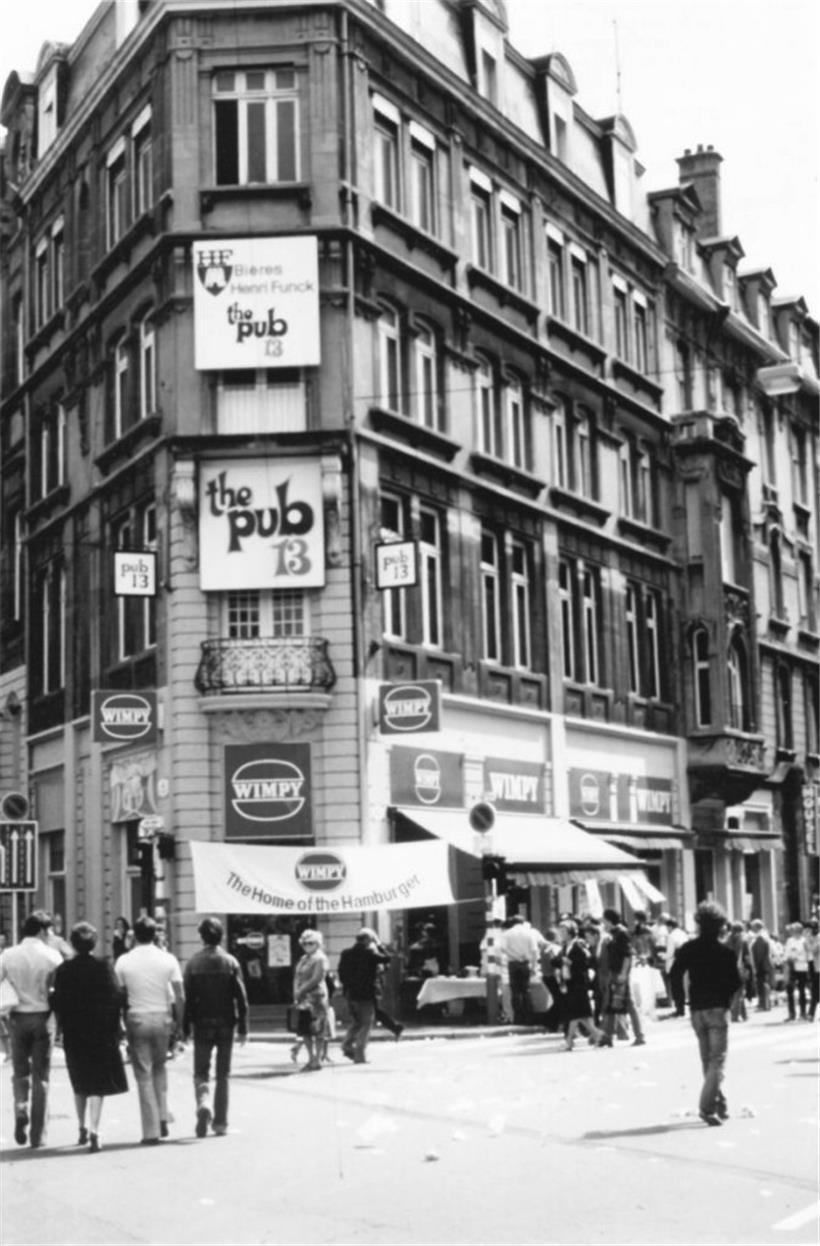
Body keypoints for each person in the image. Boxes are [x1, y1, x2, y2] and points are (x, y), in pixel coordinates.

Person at [50, 922, 128, 1152]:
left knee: (80, 1080)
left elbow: (57, 1001)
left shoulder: (64, 970)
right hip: (101, 1031)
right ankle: (95, 1129)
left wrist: (61, 1025)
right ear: (94, 943)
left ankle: (81, 1126)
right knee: (97, 1082)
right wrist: (115, 1027)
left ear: (73, 943)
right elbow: (116, 998)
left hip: (75, 1031)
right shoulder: (104, 968)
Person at [670, 900, 741, 1127]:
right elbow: (736, 982)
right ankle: (707, 1107)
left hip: (697, 1009)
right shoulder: (726, 953)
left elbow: (674, 973)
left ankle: (721, 1103)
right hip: (718, 1008)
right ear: (720, 925)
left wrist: (680, 1002)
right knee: (717, 1061)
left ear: (698, 923)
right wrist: (728, 1001)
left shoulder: (689, 948)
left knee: (707, 1060)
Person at [115, 915, 184, 1144]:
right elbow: (180, 994)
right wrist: (179, 1023)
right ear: (155, 934)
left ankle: (151, 1129)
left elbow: (120, 995)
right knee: (160, 1068)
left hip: (137, 1017)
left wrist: (121, 1022)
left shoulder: (124, 961)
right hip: (162, 1017)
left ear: (134, 934)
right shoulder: (168, 959)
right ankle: (163, 1114)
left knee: (143, 1074)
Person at [0, 910, 62, 1148]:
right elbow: (59, 987)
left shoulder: (9, 954)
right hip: (43, 1016)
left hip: (16, 1017)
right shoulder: (52, 956)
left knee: (19, 1071)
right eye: (49, 930)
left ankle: (20, 1107)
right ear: (42, 930)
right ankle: (38, 1135)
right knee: (41, 1076)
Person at [183, 916, 248, 1137]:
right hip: (226, 1023)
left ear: (202, 937)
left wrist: (185, 1028)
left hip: (201, 1023)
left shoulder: (193, 963)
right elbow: (241, 998)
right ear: (222, 936)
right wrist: (243, 1028)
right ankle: (220, 1122)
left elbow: (188, 999)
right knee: (223, 1074)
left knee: (201, 1071)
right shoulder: (230, 962)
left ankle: (203, 1101)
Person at [338, 927, 391, 1063]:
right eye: (371, 939)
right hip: (366, 994)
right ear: (367, 940)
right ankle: (359, 1054)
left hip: (350, 993)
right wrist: (379, 944)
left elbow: (341, 973)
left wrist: (348, 986)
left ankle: (346, 1045)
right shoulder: (369, 953)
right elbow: (387, 959)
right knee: (366, 1023)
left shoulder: (346, 953)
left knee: (356, 1022)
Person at [555, 921, 605, 1050]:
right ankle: (596, 1034)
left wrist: (571, 963)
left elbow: (588, 961)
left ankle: (571, 1040)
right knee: (580, 1014)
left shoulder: (578, 945)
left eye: (564, 932)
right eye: (561, 932)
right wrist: (562, 960)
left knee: (575, 1014)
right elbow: (555, 960)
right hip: (570, 982)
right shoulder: (566, 946)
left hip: (579, 983)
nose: (562, 934)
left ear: (571, 932)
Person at [599, 909, 645, 1046]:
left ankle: (640, 1035)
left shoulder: (621, 934)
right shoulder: (613, 934)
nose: (603, 923)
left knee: (629, 1004)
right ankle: (607, 1037)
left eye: (604, 920)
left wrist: (624, 974)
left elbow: (627, 955)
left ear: (609, 920)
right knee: (611, 1004)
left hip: (620, 973)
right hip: (614, 972)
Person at [292, 929, 330, 1071]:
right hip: (303, 999)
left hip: (317, 997)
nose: (307, 946)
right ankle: (310, 1057)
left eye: (310, 943)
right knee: (305, 1029)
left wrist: (301, 990)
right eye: (304, 943)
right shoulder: (303, 959)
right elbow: (296, 976)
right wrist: (295, 992)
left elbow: (317, 977)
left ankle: (317, 1059)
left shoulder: (320, 958)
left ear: (318, 944)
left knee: (318, 1029)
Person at [501, 916, 543, 1025]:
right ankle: (529, 1017)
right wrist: (533, 967)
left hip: (513, 963)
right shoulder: (529, 933)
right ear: (522, 922)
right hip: (525, 963)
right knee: (526, 990)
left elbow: (503, 949)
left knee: (515, 991)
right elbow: (534, 951)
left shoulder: (507, 934)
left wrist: (515, 955)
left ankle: (518, 1018)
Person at [725, 921, 753, 1022]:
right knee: (739, 992)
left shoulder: (726, 941)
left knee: (734, 992)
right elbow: (747, 957)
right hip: (739, 969)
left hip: (727, 969)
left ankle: (744, 1015)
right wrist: (750, 968)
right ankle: (735, 1016)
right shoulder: (743, 941)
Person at [783, 922, 810, 1021]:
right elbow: (786, 953)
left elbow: (807, 955)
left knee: (802, 990)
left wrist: (797, 958)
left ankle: (803, 1012)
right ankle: (791, 1013)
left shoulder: (804, 941)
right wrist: (787, 960)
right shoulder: (790, 941)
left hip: (802, 967)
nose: (792, 932)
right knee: (790, 990)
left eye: (793, 930)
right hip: (792, 968)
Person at [663, 917, 689, 1016]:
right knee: (681, 986)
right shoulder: (683, 934)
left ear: (670, 926)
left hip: (675, 962)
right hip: (684, 961)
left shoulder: (671, 936)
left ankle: (679, 1009)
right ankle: (681, 1008)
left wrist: (663, 956)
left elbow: (670, 953)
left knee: (676, 987)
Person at [749, 919, 774, 1011]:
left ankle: (763, 1004)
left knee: (761, 984)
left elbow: (759, 953)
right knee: (763, 984)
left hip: (761, 964)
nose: (752, 929)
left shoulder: (760, 937)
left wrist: (755, 965)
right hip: (764, 963)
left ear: (757, 927)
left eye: (753, 927)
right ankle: (765, 1003)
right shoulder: (764, 935)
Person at [808, 918, 820, 1022]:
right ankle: (811, 1014)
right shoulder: (813, 937)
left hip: (818, 967)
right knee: (815, 991)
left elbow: (813, 949)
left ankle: (811, 1014)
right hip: (816, 967)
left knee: (816, 991)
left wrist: (811, 940)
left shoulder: (818, 938)